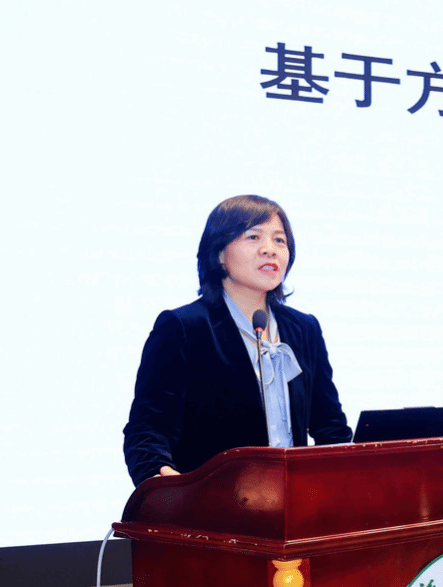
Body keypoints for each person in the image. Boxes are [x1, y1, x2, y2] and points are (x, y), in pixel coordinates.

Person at [123, 195, 353, 486]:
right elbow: (147, 431)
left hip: (295, 502)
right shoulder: (184, 327)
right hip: (214, 501)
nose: (269, 249)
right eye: (253, 237)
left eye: (279, 240)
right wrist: (162, 479)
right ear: (219, 252)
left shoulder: (304, 329)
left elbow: (330, 428)